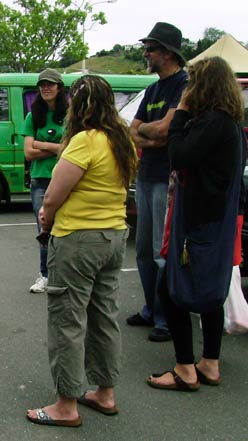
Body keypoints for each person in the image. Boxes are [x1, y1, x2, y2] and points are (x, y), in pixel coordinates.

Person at [27, 75, 138, 427]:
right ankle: (105, 393)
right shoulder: (122, 140)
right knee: (104, 316)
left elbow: (54, 196)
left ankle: (66, 404)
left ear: (79, 104)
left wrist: (46, 222)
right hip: (114, 237)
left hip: (78, 239)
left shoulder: (83, 142)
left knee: (67, 319)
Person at [147, 56, 245, 391]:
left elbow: (180, 154)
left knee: (171, 290)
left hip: (199, 223)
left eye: (193, 82)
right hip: (218, 222)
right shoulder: (230, 123)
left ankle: (185, 369)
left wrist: (182, 111)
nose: (188, 87)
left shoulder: (212, 122)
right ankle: (210, 363)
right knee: (210, 293)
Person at [126, 22, 188, 342]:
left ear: (167, 53)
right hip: (146, 175)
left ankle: (166, 318)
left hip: (168, 179)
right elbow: (133, 130)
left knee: (161, 252)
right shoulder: (152, 89)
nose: (145, 54)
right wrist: (153, 135)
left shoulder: (184, 85)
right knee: (143, 253)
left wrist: (150, 134)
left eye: (150, 48)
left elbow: (165, 131)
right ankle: (151, 309)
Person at [22, 68, 67, 293]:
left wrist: (42, 144)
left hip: (64, 178)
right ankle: (45, 274)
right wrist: (56, 148)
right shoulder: (33, 115)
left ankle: (64, 274)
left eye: (50, 84)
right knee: (44, 229)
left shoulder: (70, 114)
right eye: (42, 85)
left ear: (59, 87)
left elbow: (71, 150)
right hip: (40, 179)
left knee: (66, 227)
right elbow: (28, 153)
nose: (46, 88)